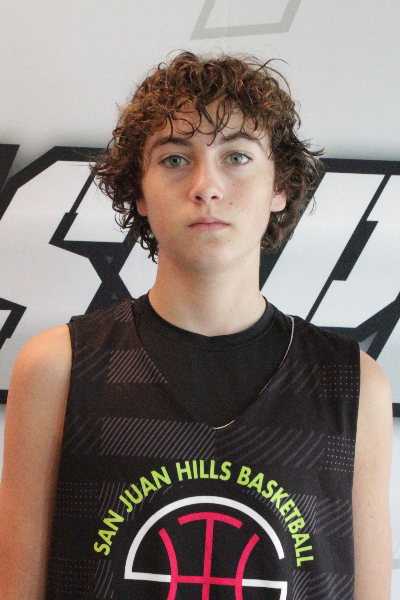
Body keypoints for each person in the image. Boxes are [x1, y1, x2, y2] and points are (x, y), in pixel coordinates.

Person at [0, 52, 392, 600]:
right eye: (175, 159)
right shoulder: (59, 367)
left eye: (237, 156)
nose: (206, 186)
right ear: (139, 192)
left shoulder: (352, 384)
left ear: (279, 186)